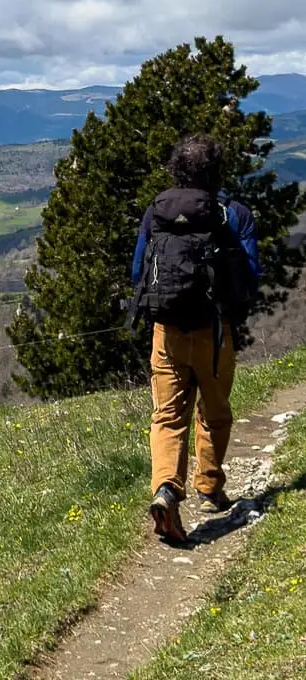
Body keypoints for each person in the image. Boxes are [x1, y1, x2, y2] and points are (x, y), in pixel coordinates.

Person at [131, 134, 262, 543]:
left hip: (166, 331)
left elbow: (139, 272)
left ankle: (167, 489)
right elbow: (251, 276)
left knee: (167, 416)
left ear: (176, 170)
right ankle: (209, 485)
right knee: (215, 411)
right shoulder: (233, 214)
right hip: (214, 331)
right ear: (216, 171)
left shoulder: (158, 212)